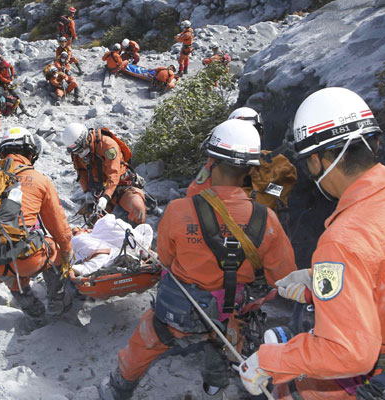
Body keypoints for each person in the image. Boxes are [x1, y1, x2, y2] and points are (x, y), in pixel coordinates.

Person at [99, 119, 297, 400]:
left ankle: (118, 389)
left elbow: (166, 259)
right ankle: (214, 386)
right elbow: (284, 279)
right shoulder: (267, 220)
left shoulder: (179, 210)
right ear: (252, 169)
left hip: (178, 312)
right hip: (230, 314)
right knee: (227, 339)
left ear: (211, 161)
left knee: (144, 341)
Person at [238, 87, 385, 399]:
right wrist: (320, 281)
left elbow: (348, 351)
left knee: (292, 391)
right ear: (373, 142)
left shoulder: (341, 243)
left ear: (318, 161)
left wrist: (269, 362)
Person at [0, 127, 74, 325]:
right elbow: (59, 228)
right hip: (29, 260)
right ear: (30, 153)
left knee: (11, 266)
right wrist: (67, 254)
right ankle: (57, 303)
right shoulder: (39, 180)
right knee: (54, 248)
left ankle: (34, 314)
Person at [188, 107, 298, 213]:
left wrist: (261, 188)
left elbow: (280, 196)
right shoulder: (216, 165)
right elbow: (195, 195)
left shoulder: (277, 163)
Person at [62, 122, 147, 225]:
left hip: (122, 186)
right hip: (99, 190)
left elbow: (114, 173)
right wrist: (87, 191)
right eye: (77, 151)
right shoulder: (76, 153)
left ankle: (139, 236)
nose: (80, 153)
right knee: (94, 223)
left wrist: (106, 197)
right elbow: (81, 171)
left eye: (81, 149)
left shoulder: (107, 145)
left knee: (138, 211)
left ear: (87, 138)